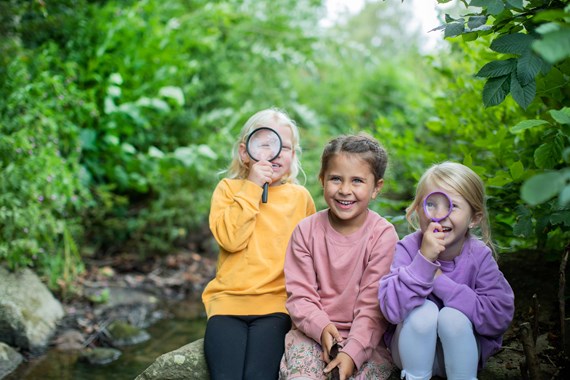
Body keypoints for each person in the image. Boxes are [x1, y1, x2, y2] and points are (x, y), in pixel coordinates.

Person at [202, 108, 316, 380]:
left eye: (284, 147)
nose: (275, 153)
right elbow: (231, 240)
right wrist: (252, 187)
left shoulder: (300, 198)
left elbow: (312, 256)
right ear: (245, 152)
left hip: (276, 307)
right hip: (227, 305)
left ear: (293, 154)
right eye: (265, 144)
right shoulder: (228, 190)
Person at [378, 162, 515, 380]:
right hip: (409, 357)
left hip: (463, 357)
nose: (439, 215)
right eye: (430, 204)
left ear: (474, 218)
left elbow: (498, 318)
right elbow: (391, 310)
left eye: (453, 206)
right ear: (417, 210)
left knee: (453, 318)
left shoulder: (479, 256)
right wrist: (423, 261)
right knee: (423, 312)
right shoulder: (408, 248)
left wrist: (441, 282)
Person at [279, 133, 398, 380]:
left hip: (368, 341)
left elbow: (373, 307)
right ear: (322, 180)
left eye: (357, 181)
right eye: (335, 179)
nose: (345, 190)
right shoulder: (305, 231)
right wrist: (321, 327)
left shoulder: (383, 236)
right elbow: (300, 296)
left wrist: (352, 353)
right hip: (312, 334)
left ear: (376, 187)